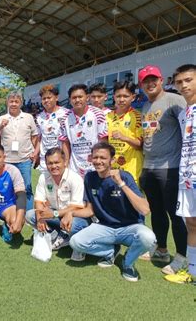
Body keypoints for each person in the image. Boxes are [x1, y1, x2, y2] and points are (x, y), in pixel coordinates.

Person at [68, 142, 156, 282]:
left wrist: (121, 183)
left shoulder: (124, 177)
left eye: (103, 158)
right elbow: (90, 210)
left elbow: (145, 210)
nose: (98, 161)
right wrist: (69, 213)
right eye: (95, 157)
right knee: (76, 242)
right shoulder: (90, 178)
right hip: (105, 227)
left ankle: (128, 263)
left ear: (112, 160)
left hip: (129, 227)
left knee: (149, 238)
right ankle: (111, 252)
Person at [138, 64, 188, 274]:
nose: (150, 83)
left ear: (161, 80)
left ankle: (183, 257)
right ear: (141, 85)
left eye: (153, 79)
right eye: (145, 81)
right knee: (157, 212)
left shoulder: (175, 100)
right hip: (149, 167)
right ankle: (161, 249)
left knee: (175, 214)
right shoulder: (145, 107)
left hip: (170, 166)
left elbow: (188, 128)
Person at [25, 148, 89, 261]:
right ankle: (61, 235)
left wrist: (54, 213)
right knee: (30, 215)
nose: (53, 166)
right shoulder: (43, 177)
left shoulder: (75, 178)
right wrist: (40, 219)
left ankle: (78, 246)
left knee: (74, 226)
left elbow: (77, 206)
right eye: (50, 163)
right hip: (56, 215)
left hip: (75, 216)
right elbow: (39, 201)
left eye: (56, 162)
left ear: (65, 162)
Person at [164, 64, 196, 284]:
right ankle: (193, 271)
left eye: (189, 80)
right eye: (179, 82)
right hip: (187, 177)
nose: (184, 85)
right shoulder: (184, 112)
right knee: (191, 224)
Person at [0, 91, 37, 210]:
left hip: (24, 159)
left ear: (21, 103)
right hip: (8, 160)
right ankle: (9, 210)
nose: (13, 104)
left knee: (26, 188)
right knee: (7, 188)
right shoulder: (2, 118)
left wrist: (35, 153)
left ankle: (28, 214)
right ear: (7, 102)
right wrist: (1, 126)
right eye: (11, 101)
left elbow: (34, 136)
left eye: (16, 101)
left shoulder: (28, 117)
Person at [59, 84, 107, 177]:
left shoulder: (98, 114)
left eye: (80, 97)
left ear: (87, 97)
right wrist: (66, 163)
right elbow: (65, 143)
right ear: (70, 100)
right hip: (74, 165)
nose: (77, 100)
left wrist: (101, 160)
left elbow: (103, 140)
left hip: (94, 164)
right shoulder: (64, 118)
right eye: (74, 97)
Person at [106, 81, 143, 184]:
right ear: (114, 97)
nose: (121, 99)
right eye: (118, 96)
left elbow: (140, 145)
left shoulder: (138, 116)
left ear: (133, 97)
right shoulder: (107, 117)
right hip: (112, 169)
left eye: (125, 96)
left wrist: (124, 138)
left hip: (132, 170)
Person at [33, 84, 68, 173]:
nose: (46, 100)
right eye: (44, 99)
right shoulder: (39, 117)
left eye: (49, 97)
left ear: (56, 98)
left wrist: (67, 159)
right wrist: (35, 153)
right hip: (44, 160)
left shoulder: (66, 114)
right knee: (46, 186)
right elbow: (40, 138)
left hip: (59, 159)